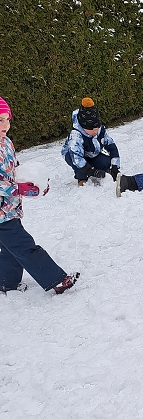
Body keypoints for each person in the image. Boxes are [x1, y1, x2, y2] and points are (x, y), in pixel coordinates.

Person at [1, 97, 79, 294]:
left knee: (11, 250)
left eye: (7, 119)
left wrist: (35, 182)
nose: (5, 125)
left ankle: (6, 282)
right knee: (25, 246)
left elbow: (14, 170)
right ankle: (57, 280)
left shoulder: (6, 143)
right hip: (2, 214)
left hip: (9, 208)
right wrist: (18, 189)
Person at [61, 97, 120, 186]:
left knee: (105, 162)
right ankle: (82, 179)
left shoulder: (100, 130)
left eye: (96, 128)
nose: (95, 131)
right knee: (80, 169)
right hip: (72, 155)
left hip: (91, 152)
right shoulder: (76, 136)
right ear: (83, 126)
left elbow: (111, 146)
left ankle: (100, 169)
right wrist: (91, 171)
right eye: (91, 129)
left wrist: (115, 166)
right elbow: (77, 157)